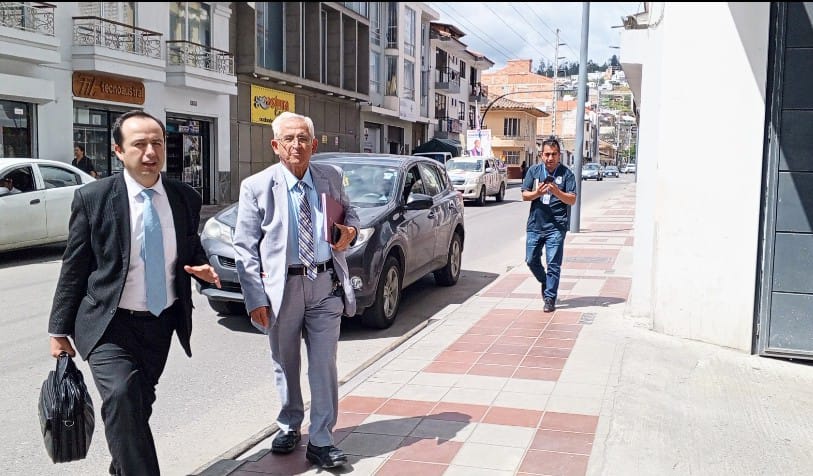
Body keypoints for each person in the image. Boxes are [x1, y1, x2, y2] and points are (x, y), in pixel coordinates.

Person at [47, 110, 221, 476]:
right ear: (118, 150)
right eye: (139, 144)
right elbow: (74, 266)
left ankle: (121, 469)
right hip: (108, 324)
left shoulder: (185, 198)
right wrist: (58, 330)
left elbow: (190, 249)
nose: (150, 152)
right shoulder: (93, 198)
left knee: (136, 408)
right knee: (123, 397)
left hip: (160, 323)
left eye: (157, 143)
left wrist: (203, 268)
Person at [233, 111, 359, 469]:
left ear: (314, 144)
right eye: (288, 139)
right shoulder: (256, 186)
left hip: (324, 285)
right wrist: (255, 298)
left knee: (323, 364)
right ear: (276, 145)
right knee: (285, 362)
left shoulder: (330, 176)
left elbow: (351, 215)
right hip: (281, 289)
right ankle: (289, 424)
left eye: (303, 138)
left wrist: (350, 232)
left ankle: (321, 439)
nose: (296, 145)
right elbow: (244, 247)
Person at [521, 136, 577, 313]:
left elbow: (572, 199)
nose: (550, 158)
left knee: (553, 263)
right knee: (531, 259)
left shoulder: (567, 174)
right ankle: (545, 281)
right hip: (535, 225)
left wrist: (557, 192)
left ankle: (550, 298)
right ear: (541, 155)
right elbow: (524, 195)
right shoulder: (534, 171)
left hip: (556, 227)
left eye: (553, 154)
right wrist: (537, 193)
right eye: (547, 154)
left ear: (559, 155)